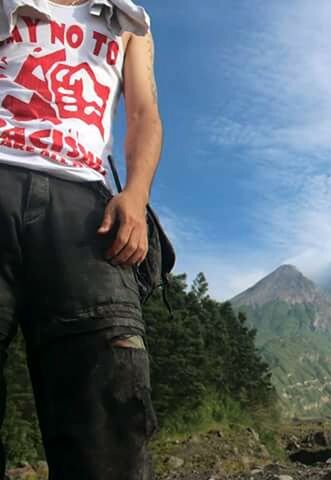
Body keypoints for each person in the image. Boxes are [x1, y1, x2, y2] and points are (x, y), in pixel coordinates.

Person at [0, 0, 162, 478]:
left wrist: (135, 194)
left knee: (109, 416)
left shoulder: (129, 22)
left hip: (85, 207)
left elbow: (144, 112)